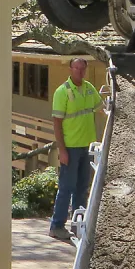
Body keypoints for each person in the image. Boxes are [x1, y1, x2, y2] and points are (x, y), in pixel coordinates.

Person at [49, 57, 103, 242]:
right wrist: (62, 150)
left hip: (87, 147)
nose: (79, 71)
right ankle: (56, 226)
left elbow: (101, 108)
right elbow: (56, 123)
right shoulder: (62, 92)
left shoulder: (89, 88)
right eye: (76, 68)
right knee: (66, 187)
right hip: (70, 147)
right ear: (71, 69)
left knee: (82, 188)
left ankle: (78, 224)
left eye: (82, 69)